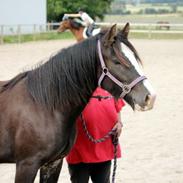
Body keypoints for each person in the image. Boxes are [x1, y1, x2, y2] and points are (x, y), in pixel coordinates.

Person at [66, 87, 125, 183]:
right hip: (79, 152)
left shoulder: (110, 86)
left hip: (104, 150)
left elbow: (117, 107)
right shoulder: (75, 87)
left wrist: (119, 123)